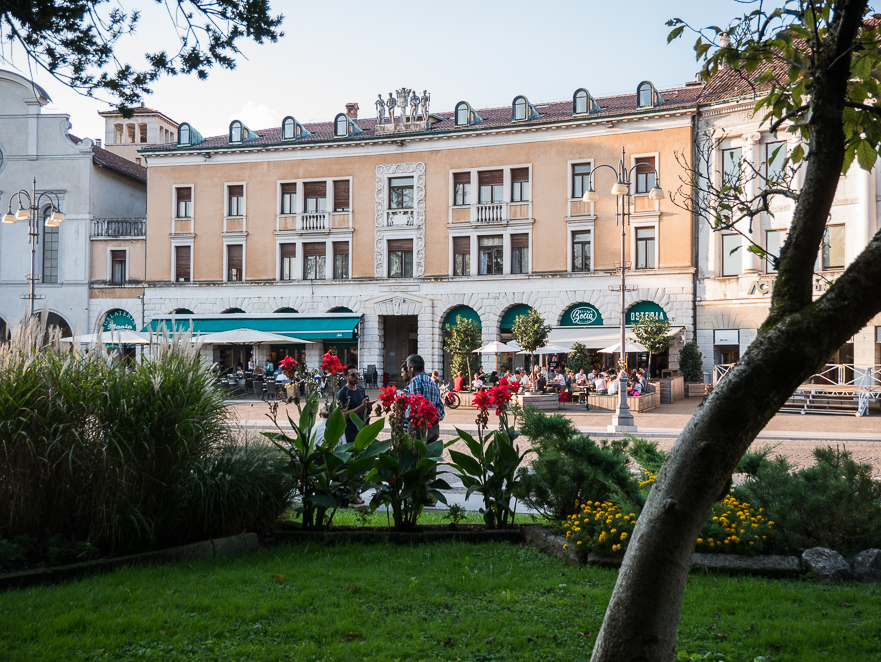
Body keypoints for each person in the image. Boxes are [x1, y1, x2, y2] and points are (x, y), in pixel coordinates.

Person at [403, 354, 445, 506]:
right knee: (430, 460)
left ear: (412, 368)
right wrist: (434, 416)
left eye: (407, 368)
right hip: (432, 426)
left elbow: (415, 403)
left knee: (414, 458)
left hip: (418, 425)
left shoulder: (415, 381)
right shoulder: (432, 383)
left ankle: (414, 494)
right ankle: (428, 495)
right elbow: (441, 408)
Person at [338, 365, 371, 445]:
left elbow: (366, 410)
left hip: (362, 430)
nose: (356, 376)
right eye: (353, 375)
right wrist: (362, 406)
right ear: (346, 377)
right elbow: (344, 415)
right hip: (350, 433)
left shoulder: (360, 389)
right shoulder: (342, 393)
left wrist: (368, 407)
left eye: (357, 374)